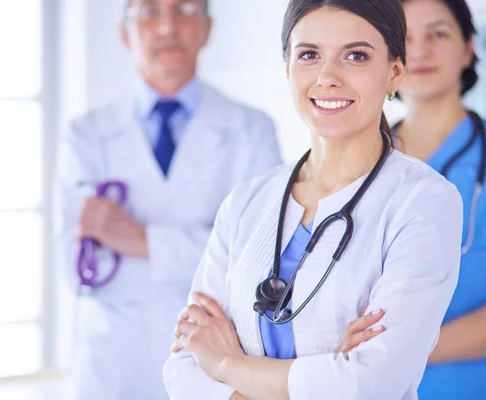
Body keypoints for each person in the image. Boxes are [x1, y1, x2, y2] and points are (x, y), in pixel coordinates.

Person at [164, 0, 463, 399]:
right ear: (288, 70)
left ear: (394, 73)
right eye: (309, 55)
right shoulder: (246, 202)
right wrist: (322, 378)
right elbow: (184, 362)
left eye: (356, 56)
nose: (327, 77)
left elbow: (368, 383)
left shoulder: (424, 202)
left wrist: (224, 364)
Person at [54, 0, 282, 398]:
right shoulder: (85, 135)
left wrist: (139, 241)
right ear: (124, 33)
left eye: (185, 10)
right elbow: (76, 267)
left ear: (209, 29)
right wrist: (205, 246)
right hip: (113, 363)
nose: (167, 27)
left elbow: (256, 259)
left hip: (212, 363)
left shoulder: (252, 129)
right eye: (148, 14)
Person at [340, 0, 486, 398]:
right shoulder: (353, 160)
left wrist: (402, 348)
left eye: (438, 34)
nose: (420, 50)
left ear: (468, 47)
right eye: (405, 37)